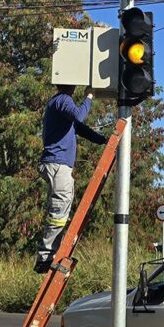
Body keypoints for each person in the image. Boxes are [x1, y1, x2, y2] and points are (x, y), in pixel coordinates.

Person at [35, 85, 107, 274]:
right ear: (72, 85)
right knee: (59, 211)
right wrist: (89, 96)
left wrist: (102, 140)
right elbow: (79, 116)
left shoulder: (60, 106)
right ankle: (45, 257)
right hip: (58, 165)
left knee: (60, 210)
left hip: (56, 165)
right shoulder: (62, 100)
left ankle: (48, 254)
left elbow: (80, 127)